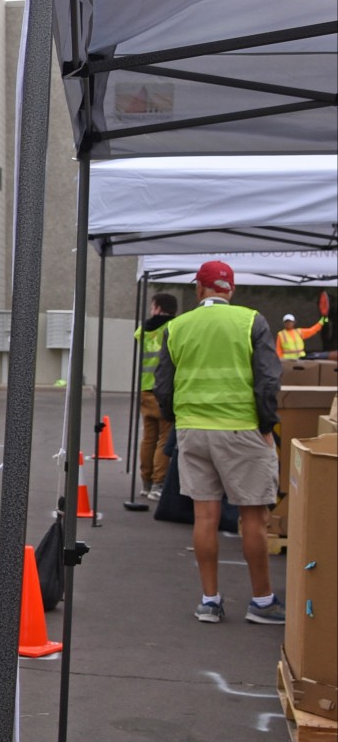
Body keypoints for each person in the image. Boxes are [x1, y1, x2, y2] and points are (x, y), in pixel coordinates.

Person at [154, 260, 284, 625]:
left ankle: (209, 600)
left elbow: (163, 385)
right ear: (231, 289)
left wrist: (180, 420)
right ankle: (262, 601)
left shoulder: (176, 327)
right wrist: (266, 426)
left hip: (193, 431)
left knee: (204, 517)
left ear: (199, 289)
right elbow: (268, 380)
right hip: (242, 429)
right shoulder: (251, 321)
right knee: (253, 518)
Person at [135, 293, 177, 500]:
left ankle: (146, 481)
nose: (151, 310)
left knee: (148, 438)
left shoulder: (143, 329)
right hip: (164, 389)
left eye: (153, 307)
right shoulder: (174, 327)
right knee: (164, 438)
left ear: (159, 308)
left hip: (145, 388)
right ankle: (158, 485)